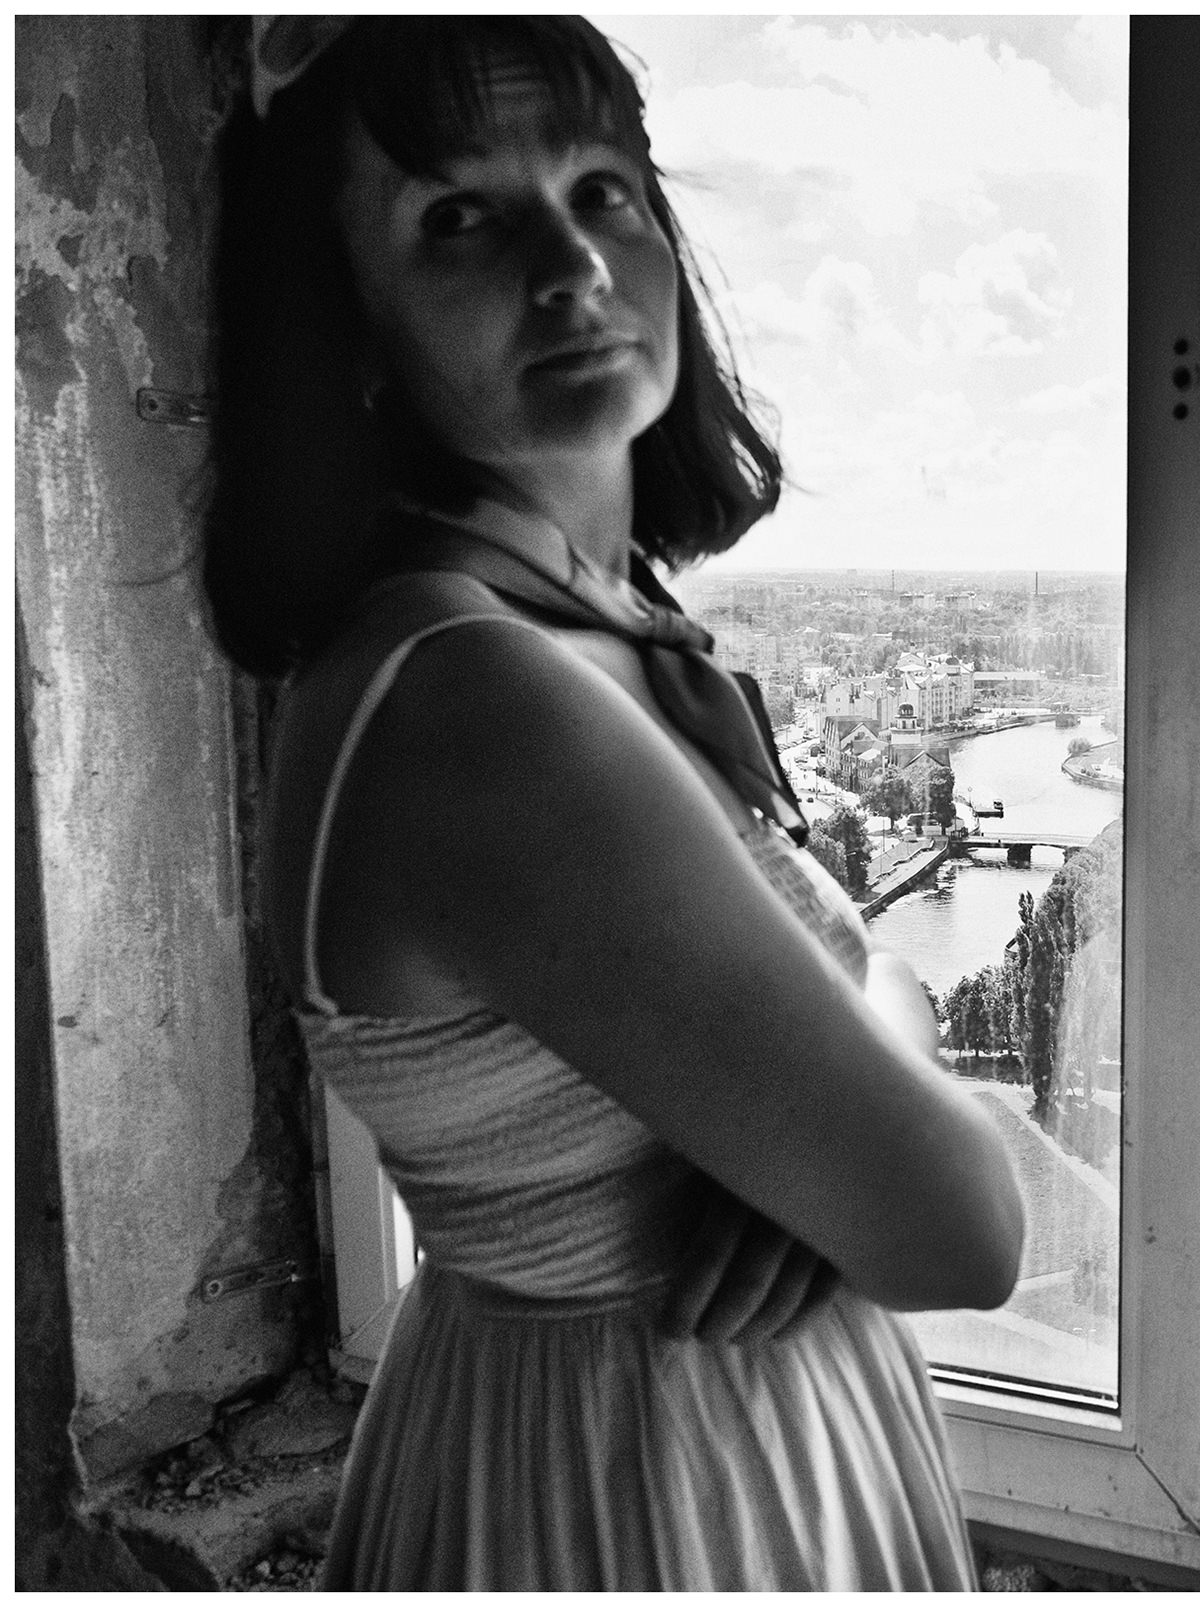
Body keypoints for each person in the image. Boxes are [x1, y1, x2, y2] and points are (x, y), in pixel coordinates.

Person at [202, 17, 1024, 1589]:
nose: (570, 261)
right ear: (344, 321)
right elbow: (966, 1231)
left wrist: (821, 1134)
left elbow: (875, 1079)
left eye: (605, 188)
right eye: (459, 216)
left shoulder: (585, 629)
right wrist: (851, 1139)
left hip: (660, 1433)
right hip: (647, 1486)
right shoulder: (478, 702)